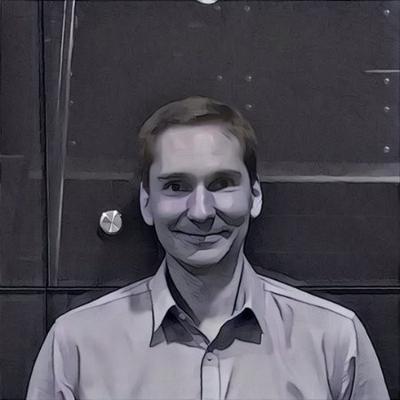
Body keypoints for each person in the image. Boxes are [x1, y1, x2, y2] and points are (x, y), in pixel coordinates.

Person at [26, 96, 389, 399]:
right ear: (146, 202)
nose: (200, 212)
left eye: (221, 183)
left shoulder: (335, 341)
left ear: (255, 195)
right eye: (176, 186)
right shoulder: (75, 346)